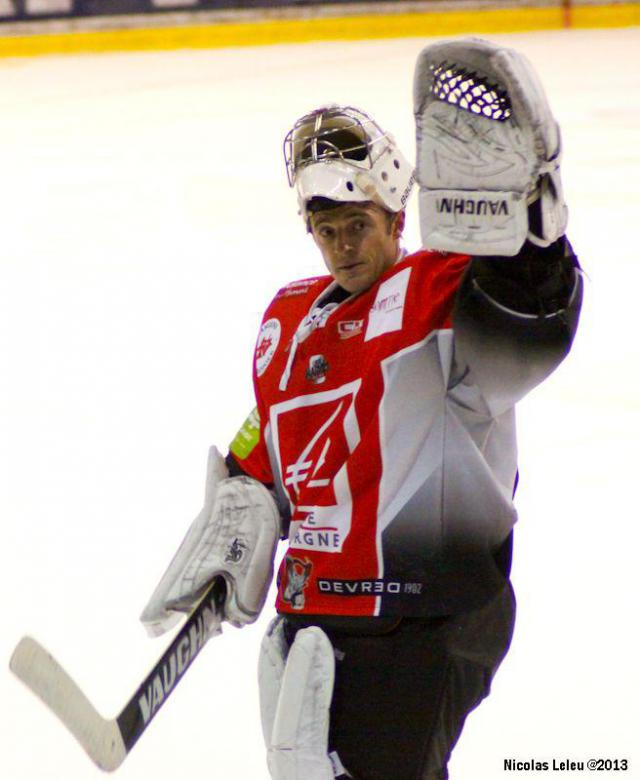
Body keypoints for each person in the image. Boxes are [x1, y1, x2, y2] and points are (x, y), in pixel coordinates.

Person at [141, 39, 582, 780]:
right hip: (315, 615)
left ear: (395, 218)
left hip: (427, 614)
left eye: (358, 226)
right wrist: (244, 501)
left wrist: (532, 243)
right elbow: (272, 439)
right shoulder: (286, 321)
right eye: (327, 230)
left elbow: (531, 319)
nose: (343, 247)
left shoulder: (436, 286)